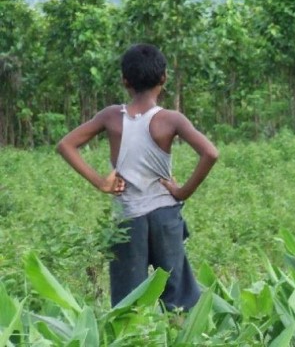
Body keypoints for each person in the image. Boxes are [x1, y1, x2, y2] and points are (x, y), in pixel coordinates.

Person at [57, 44, 219, 311]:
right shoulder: (171, 119)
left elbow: (66, 145)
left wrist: (101, 182)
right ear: (164, 78)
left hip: (127, 219)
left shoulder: (111, 116)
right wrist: (182, 192)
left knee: (127, 303)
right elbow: (210, 153)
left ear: (125, 81)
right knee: (179, 299)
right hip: (165, 217)